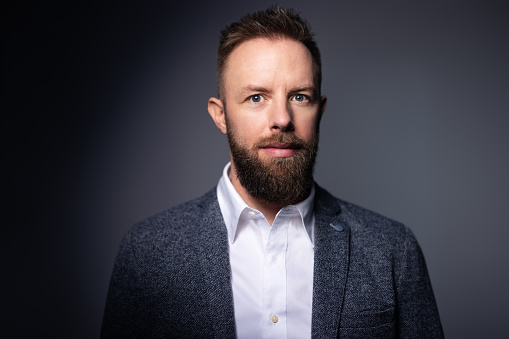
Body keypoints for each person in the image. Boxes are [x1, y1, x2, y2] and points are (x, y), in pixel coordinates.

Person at [101, 6, 443, 338]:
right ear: (220, 115)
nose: (282, 118)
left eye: (299, 96)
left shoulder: (392, 250)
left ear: (319, 110)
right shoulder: (147, 253)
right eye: (256, 98)